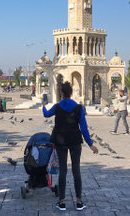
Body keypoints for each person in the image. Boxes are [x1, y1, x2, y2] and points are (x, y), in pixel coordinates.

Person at [42, 81, 98, 211]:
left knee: (63, 171)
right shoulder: (79, 108)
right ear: (71, 93)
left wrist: (44, 105)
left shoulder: (57, 107)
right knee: (76, 170)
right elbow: (84, 128)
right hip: (75, 141)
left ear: (61, 93)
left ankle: (62, 202)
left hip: (61, 141)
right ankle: (78, 201)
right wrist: (90, 144)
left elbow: (46, 114)